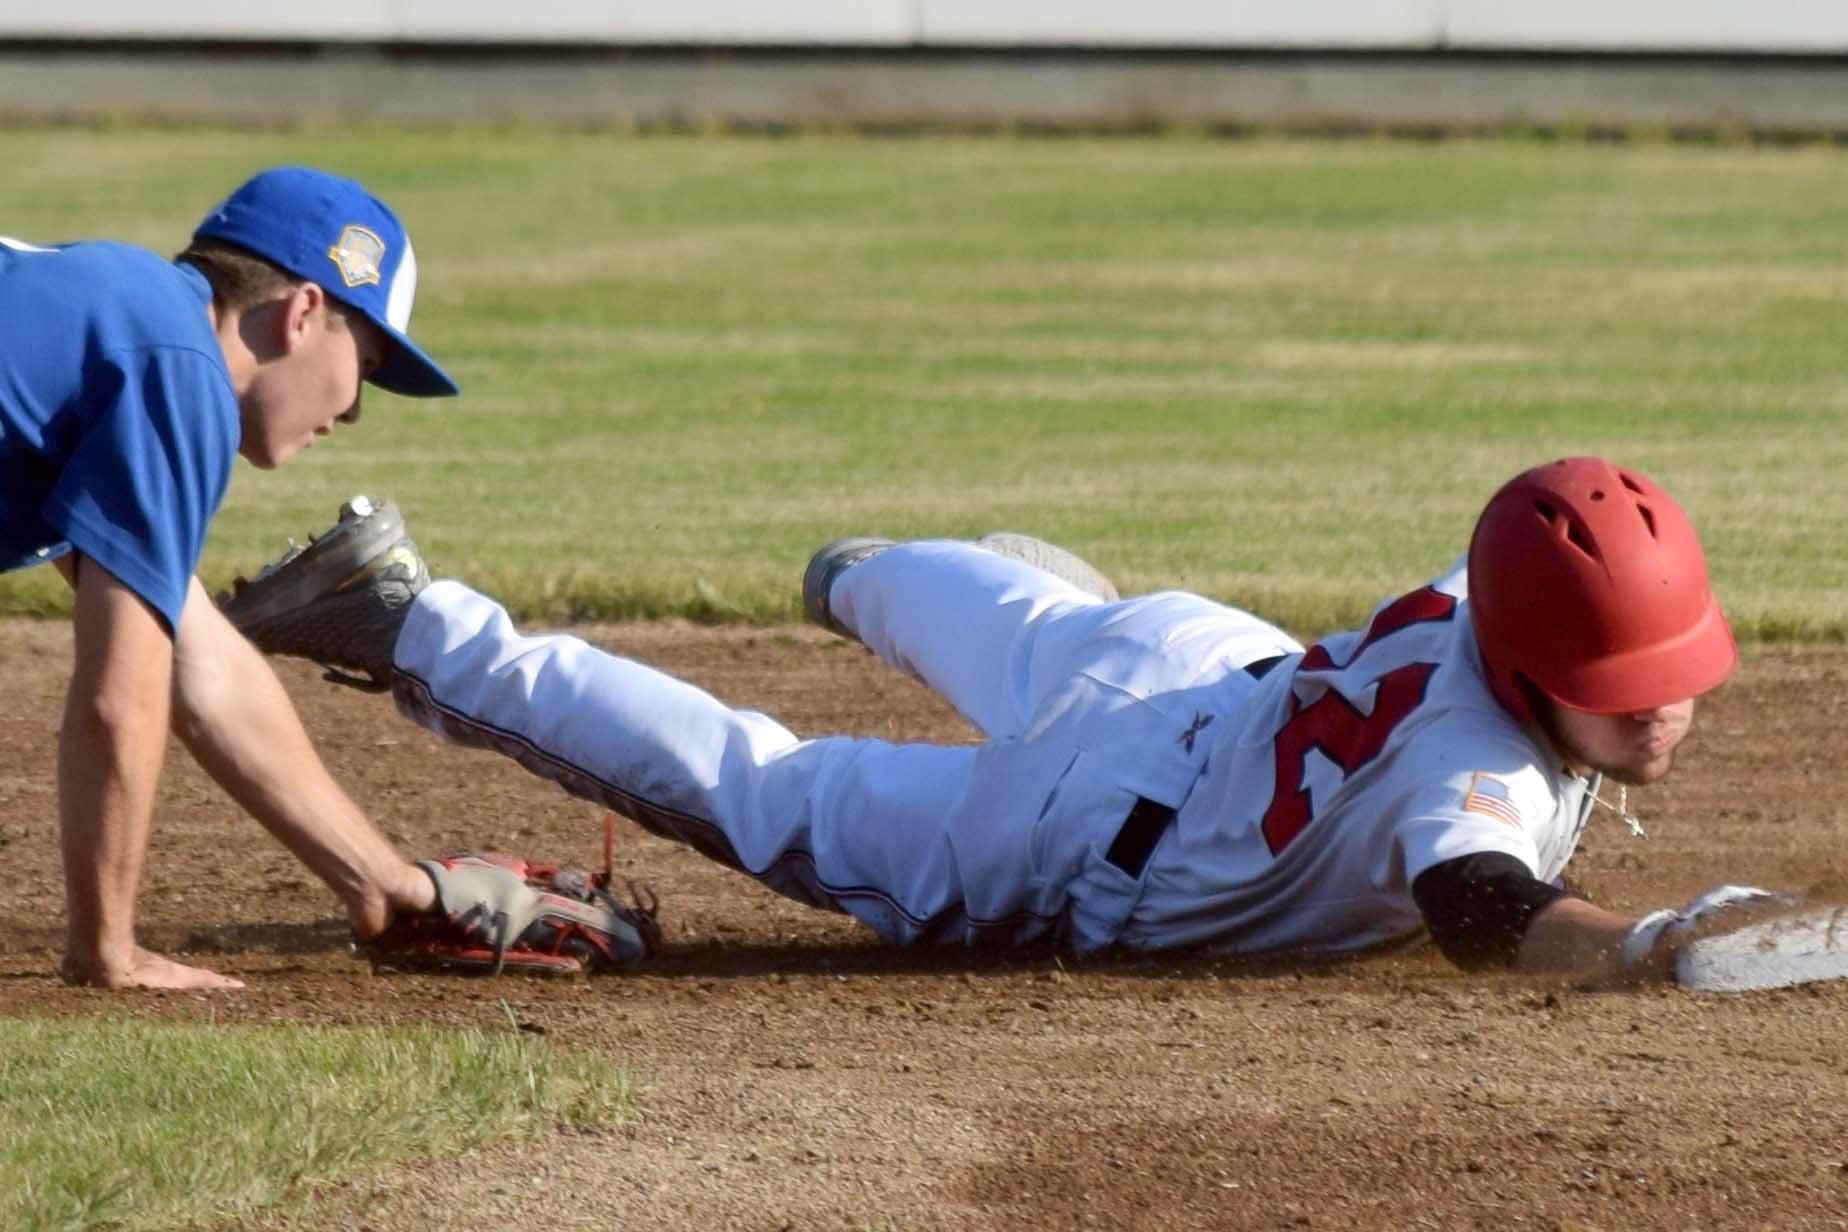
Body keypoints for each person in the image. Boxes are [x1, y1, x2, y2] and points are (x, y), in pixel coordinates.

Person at [222, 456, 1789, 979]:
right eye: (1620, 691)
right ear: (1523, 678)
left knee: (919, 594)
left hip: (1192, 664)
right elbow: (1484, 906)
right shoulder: (1469, 779)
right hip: (1067, 837)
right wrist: (1646, 945)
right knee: (765, 788)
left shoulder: (1486, 585)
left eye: (1675, 679)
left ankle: (879, 578)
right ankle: (403, 615)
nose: (1662, 712)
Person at [0, 166, 465, 989]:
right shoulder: (176, 370)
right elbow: (118, 702)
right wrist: (108, 951)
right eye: (366, 359)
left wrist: (383, 880)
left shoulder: (116, 322)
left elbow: (195, 661)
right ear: (304, 313)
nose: (355, 410)